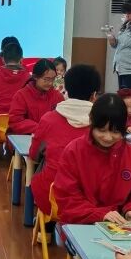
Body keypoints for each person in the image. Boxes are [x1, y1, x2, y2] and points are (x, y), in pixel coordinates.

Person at [51, 94, 131, 225]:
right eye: (101, 130)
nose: (108, 137)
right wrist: (100, 214)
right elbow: (68, 198)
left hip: (121, 225)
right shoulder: (73, 152)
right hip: (80, 224)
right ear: (90, 120)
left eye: (115, 132)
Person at [31, 64, 101, 217]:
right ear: (94, 95)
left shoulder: (49, 119)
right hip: (93, 201)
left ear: (66, 89)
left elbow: (34, 154)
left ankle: (44, 226)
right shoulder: (102, 125)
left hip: (52, 199)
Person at [7, 59, 65, 135]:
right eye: (46, 79)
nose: (50, 83)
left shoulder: (57, 96)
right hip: (26, 137)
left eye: (53, 79)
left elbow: (63, 119)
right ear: (35, 77)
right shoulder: (21, 95)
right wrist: (40, 128)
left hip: (50, 136)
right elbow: (15, 121)